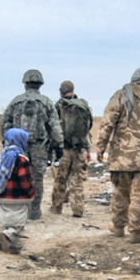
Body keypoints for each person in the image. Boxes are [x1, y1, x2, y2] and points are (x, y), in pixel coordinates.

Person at [95, 68, 140, 243]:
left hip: (121, 156)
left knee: (120, 192)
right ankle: (135, 231)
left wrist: (101, 146)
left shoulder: (121, 95)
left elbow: (108, 121)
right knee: (139, 195)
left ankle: (118, 227)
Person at [1, 70, 64, 221]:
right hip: (39, 147)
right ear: (40, 84)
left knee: (17, 176)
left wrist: (7, 141)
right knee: (37, 178)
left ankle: (19, 209)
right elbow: (54, 126)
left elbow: (4, 123)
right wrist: (58, 146)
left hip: (17, 147)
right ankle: (34, 211)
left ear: (25, 83)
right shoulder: (46, 102)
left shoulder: (16, 101)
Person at [51, 81, 93, 218]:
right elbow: (88, 127)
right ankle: (77, 209)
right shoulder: (83, 106)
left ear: (61, 91)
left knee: (60, 179)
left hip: (64, 149)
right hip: (81, 148)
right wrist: (87, 148)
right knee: (77, 180)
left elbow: (53, 128)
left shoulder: (58, 106)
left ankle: (57, 207)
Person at [0, 127, 35, 254]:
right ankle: (7, 237)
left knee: (7, 223)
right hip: (18, 197)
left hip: (2, 196)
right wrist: (31, 192)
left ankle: (12, 246)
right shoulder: (22, 159)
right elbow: (25, 181)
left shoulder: (2, 157)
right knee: (18, 225)